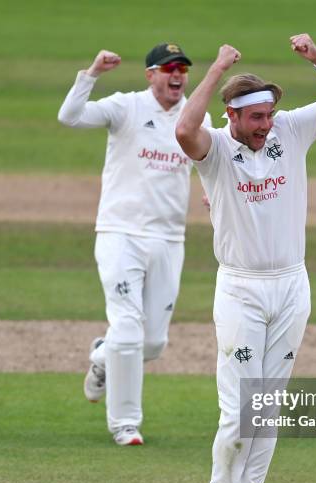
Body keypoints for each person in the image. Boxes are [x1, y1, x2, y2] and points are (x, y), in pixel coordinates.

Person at [176, 33, 316, 483]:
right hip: (240, 288)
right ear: (232, 116)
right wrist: (216, 69)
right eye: (255, 117)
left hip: (292, 285)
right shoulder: (214, 149)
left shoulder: (290, 129)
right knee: (238, 414)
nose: (266, 124)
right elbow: (185, 130)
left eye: (270, 114)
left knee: (266, 412)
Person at [58, 43, 211, 446]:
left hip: (169, 238)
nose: (177, 75)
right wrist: (91, 73)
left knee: (153, 343)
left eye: (182, 68)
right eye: (168, 68)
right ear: (151, 75)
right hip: (120, 233)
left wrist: (214, 191)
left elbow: (211, 160)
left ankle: (102, 356)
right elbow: (70, 116)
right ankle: (125, 425)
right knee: (128, 328)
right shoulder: (126, 107)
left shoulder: (195, 115)